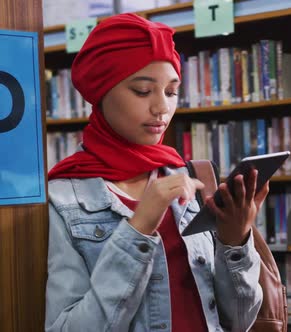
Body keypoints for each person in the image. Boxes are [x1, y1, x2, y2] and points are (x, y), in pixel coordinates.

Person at [45, 13, 265, 332]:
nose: (161, 108)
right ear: (101, 92)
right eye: (143, 91)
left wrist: (236, 240)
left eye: (171, 91)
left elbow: (240, 320)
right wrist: (140, 227)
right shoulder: (63, 200)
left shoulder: (190, 178)